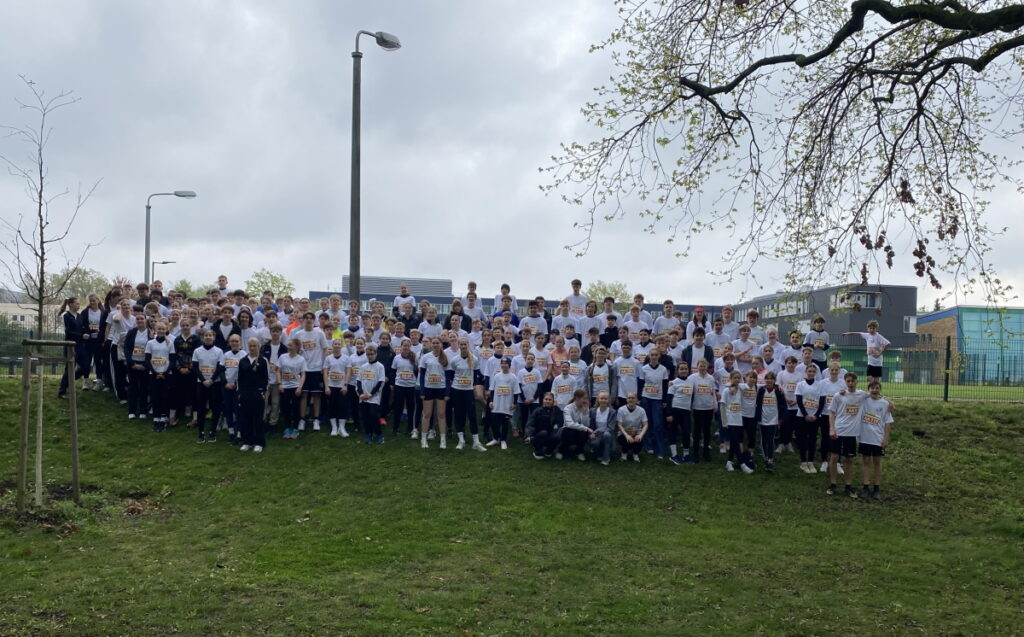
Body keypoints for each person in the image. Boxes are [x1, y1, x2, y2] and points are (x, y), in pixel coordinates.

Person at [827, 372, 867, 497]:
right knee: (834, 457)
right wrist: (832, 429)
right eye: (848, 381)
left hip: (852, 433)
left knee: (849, 459)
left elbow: (876, 395)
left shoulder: (861, 394)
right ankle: (833, 484)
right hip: (839, 431)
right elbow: (832, 413)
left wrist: (890, 403)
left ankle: (848, 486)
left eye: (852, 381)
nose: (850, 383)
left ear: (857, 382)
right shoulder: (838, 395)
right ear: (845, 382)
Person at [858, 381, 894, 500]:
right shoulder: (864, 401)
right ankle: (865, 486)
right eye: (872, 388)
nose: (874, 390)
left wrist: (886, 438)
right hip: (865, 437)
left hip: (878, 439)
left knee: (877, 463)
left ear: (880, 390)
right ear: (868, 390)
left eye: (877, 388)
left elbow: (888, 423)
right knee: (866, 461)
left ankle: (877, 488)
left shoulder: (884, 404)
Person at [450, 337, 486, 451]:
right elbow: (451, 376)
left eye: (465, 344)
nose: (463, 346)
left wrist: (474, 387)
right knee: (459, 415)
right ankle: (461, 440)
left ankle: (476, 441)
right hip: (457, 390)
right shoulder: (454, 360)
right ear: (459, 346)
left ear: (468, 345)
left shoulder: (474, 359)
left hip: (469, 391)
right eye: (461, 344)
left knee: (472, 415)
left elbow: (476, 376)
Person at [191, 329, 225, 443]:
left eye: (210, 335)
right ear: (202, 338)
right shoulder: (197, 351)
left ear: (214, 338)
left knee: (215, 408)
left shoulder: (219, 351)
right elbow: (195, 367)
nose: (208, 337)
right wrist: (203, 380)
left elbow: (220, 367)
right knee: (201, 408)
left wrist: (211, 380)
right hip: (201, 383)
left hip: (215, 383)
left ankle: (213, 431)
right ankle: (201, 432)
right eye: (206, 335)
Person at [236, 337, 269, 452]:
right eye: (250, 346)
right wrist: (239, 392)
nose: (252, 348)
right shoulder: (243, 360)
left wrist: (263, 391)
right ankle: (247, 441)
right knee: (246, 418)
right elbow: (240, 377)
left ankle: (259, 442)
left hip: (257, 392)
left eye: (255, 346)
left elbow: (265, 378)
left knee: (258, 419)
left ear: (258, 347)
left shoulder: (263, 361)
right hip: (245, 392)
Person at [418, 337, 450, 449]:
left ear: (441, 344)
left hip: (441, 388)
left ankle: (443, 440)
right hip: (428, 388)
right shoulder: (425, 357)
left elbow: (447, 377)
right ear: (431, 344)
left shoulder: (445, 357)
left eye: (438, 343)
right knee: (427, 414)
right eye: (434, 343)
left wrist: (447, 392)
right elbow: (421, 376)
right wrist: (422, 390)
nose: (436, 345)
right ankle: (423, 439)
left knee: (441, 415)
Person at [144, 320, 175, 431]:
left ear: (166, 330)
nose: (161, 331)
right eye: (159, 329)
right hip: (154, 374)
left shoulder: (170, 343)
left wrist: (165, 373)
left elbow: (172, 360)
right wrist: (155, 372)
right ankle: (156, 419)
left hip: (166, 374)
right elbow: (147, 359)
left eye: (163, 329)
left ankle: (163, 418)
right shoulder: (150, 343)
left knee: (165, 397)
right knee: (155, 396)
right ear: (155, 330)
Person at [795, 364, 827, 474]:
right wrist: (805, 415)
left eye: (814, 371)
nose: (811, 373)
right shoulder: (800, 385)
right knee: (803, 439)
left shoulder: (820, 385)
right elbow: (799, 401)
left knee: (813, 440)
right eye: (810, 371)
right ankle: (803, 462)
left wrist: (816, 415)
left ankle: (811, 462)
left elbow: (822, 402)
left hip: (815, 417)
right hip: (802, 417)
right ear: (806, 372)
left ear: (816, 373)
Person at [754, 371, 787, 473]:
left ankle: (771, 459)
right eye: (767, 378)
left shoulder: (778, 391)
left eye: (771, 379)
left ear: (774, 380)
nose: (769, 380)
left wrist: (781, 419)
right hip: (763, 419)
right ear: (765, 380)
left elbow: (783, 406)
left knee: (770, 439)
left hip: (774, 419)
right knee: (763, 439)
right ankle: (765, 458)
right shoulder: (761, 390)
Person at [124, 315, 154, 420]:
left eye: (142, 319)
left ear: (146, 320)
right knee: (133, 387)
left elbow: (152, 350)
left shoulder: (151, 333)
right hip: (133, 365)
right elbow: (127, 348)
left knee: (144, 388)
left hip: (145, 365)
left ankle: (143, 410)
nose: (140, 320)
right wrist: (132, 363)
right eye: (138, 319)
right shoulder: (131, 332)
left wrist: (144, 365)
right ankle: (132, 410)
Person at [687, 358, 718, 462]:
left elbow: (713, 392)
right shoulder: (692, 377)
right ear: (697, 366)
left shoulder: (711, 378)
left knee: (707, 430)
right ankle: (695, 453)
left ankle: (706, 452)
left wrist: (715, 404)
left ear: (707, 367)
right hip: (697, 408)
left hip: (708, 407)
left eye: (704, 366)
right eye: (700, 365)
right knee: (697, 431)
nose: (702, 368)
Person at [486, 357, 519, 450]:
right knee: (494, 421)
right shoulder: (497, 376)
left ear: (509, 364)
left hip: (507, 404)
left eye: (506, 363)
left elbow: (516, 391)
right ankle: (496, 438)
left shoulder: (513, 377)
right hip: (497, 403)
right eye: (502, 363)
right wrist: (491, 401)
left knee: (504, 422)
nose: (504, 365)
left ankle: (503, 440)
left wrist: (515, 403)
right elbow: (492, 389)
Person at [277, 338, 306, 440]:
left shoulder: (301, 359)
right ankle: (287, 427)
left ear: (296, 347)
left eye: (290, 345)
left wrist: (300, 387)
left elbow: (303, 374)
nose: (288, 347)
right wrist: (280, 383)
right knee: (286, 408)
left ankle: (295, 428)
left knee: (295, 407)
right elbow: (278, 371)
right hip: (284, 387)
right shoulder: (282, 357)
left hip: (295, 387)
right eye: (288, 345)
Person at [357, 344, 387, 444]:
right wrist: (361, 394)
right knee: (365, 416)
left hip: (374, 397)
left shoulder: (380, 367)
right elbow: (359, 381)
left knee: (373, 415)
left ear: (376, 354)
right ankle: (368, 434)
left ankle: (379, 434)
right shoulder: (363, 367)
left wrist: (371, 394)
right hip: (363, 396)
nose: (370, 356)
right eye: (368, 354)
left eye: (372, 354)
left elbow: (381, 382)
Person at [221, 334, 246, 444]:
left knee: (238, 410)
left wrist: (236, 383)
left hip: (238, 387)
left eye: (236, 341)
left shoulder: (244, 355)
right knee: (228, 408)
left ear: (240, 342)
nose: (234, 343)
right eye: (232, 341)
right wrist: (226, 383)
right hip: (227, 386)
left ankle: (240, 432)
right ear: (229, 343)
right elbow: (221, 370)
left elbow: (245, 372)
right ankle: (231, 431)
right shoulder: (226, 354)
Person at [57, 297, 84, 398]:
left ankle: (69, 382)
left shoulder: (80, 316)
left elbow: (82, 328)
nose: (79, 305)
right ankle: (62, 391)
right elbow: (68, 331)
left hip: (80, 345)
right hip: (69, 345)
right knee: (69, 368)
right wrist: (81, 335)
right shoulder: (66, 316)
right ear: (71, 304)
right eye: (77, 304)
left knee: (85, 367)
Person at [667, 361, 693, 464]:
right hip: (675, 410)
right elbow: (668, 399)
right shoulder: (674, 382)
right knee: (673, 432)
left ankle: (686, 455)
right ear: (677, 371)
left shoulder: (691, 381)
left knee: (686, 432)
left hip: (686, 411)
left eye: (685, 369)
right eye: (681, 369)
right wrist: (668, 414)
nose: (684, 371)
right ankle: (674, 455)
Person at [323, 339, 350, 437]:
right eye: (335, 344)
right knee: (331, 406)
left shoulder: (346, 358)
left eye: (339, 344)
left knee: (343, 406)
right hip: (331, 386)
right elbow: (325, 373)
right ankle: (334, 427)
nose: (337, 346)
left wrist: (345, 385)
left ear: (341, 346)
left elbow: (348, 372)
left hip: (341, 387)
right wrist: (326, 386)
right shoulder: (328, 358)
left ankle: (342, 428)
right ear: (332, 345)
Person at [525, 392, 564, 458]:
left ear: (553, 401)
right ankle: (537, 451)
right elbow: (530, 423)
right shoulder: (537, 410)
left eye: (550, 400)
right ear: (543, 400)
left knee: (557, 437)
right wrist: (529, 435)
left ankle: (548, 451)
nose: (548, 401)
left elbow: (560, 422)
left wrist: (555, 408)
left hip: (550, 434)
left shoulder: (556, 410)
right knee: (543, 433)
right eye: (546, 399)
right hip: (538, 435)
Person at [616, 391, 649, 462]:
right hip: (624, 434)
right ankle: (624, 453)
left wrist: (640, 435)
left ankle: (635, 454)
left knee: (639, 440)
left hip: (636, 433)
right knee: (626, 440)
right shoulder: (621, 409)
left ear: (636, 399)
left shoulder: (641, 410)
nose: (631, 399)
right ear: (626, 399)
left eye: (633, 398)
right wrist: (627, 435)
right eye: (629, 398)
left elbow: (645, 424)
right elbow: (619, 424)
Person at [560, 389, 592, 460]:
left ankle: (579, 451)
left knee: (584, 433)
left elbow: (586, 424)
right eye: (584, 398)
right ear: (577, 398)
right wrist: (586, 428)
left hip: (579, 431)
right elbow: (569, 424)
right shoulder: (568, 408)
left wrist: (585, 413)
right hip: (568, 431)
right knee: (569, 431)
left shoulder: (585, 408)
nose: (586, 400)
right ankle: (562, 450)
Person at [589, 390, 616, 466]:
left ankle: (606, 458)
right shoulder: (592, 411)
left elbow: (610, 428)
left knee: (607, 435)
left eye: (605, 398)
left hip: (607, 435)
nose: (603, 400)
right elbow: (590, 426)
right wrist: (591, 433)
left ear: (608, 400)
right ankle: (597, 452)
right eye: (601, 398)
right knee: (595, 445)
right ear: (598, 399)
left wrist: (596, 431)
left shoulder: (612, 412)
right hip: (596, 436)